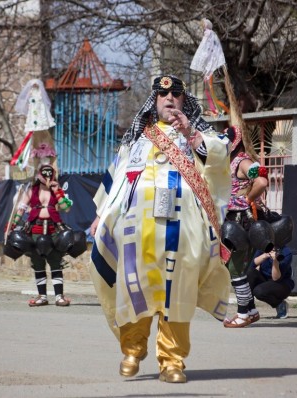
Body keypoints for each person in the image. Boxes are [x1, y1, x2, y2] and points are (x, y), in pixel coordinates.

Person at [89, 75, 232, 383]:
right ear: (154, 101)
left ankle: (172, 360)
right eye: (163, 94)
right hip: (136, 229)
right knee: (133, 285)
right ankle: (132, 348)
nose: (169, 98)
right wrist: (101, 215)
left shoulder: (199, 134)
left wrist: (191, 133)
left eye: (176, 95)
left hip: (183, 229)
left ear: (184, 100)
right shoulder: (138, 137)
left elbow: (220, 158)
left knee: (177, 291)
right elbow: (115, 180)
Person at [222, 124, 270, 328]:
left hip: (241, 220)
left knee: (235, 267)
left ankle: (243, 314)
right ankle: (250, 310)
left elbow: (261, 180)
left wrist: (247, 198)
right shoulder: (230, 161)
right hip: (232, 219)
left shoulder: (242, 161)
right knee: (236, 266)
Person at [11, 162, 73, 307]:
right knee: (38, 263)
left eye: (49, 175)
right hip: (34, 231)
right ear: (39, 176)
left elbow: (66, 208)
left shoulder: (57, 191)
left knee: (55, 262)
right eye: (44, 175)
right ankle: (42, 296)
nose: (47, 178)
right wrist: (13, 224)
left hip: (53, 230)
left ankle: (59, 297)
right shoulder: (30, 191)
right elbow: (21, 209)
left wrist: (57, 191)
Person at [247, 246, 294, 319]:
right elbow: (251, 265)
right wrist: (265, 255)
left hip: (282, 283)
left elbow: (276, 278)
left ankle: (279, 304)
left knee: (259, 292)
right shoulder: (263, 246)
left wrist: (275, 260)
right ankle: (250, 309)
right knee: (250, 273)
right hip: (265, 279)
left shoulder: (286, 252)